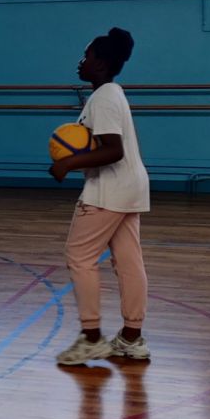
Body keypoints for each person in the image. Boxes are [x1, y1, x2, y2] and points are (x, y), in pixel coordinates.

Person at [48, 28, 152, 365]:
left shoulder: (105, 96)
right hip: (130, 187)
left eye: (86, 56)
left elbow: (113, 150)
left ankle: (91, 337)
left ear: (102, 64)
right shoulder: (112, 93)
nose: (81, 62)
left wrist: (69, 163)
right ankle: (132, 338)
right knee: (128, 261)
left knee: (79, 256)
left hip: (109, 190)